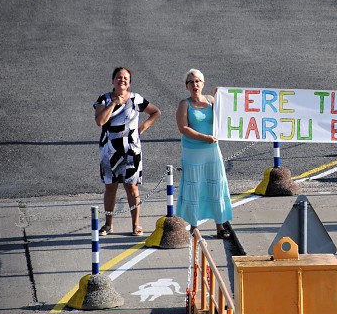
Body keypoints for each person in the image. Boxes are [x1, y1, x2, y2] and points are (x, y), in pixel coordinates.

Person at [94, 67, 161, 236]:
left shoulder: (136, 99)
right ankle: (108, 225)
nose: (122, 80)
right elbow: (100, 121)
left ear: (129, 82)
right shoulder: (104, 99)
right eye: (118, 77)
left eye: (125, 78)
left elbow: (155, 111)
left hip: (131, 150)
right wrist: (114, 103)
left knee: (132, 187)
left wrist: (143, 127)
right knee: (110, 187)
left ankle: (136, 224)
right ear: (113, 81)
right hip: (109, 149)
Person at [175, 69, 233, 238]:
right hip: (193, 152)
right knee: (194, 186)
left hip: (212, 151)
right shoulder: (184, 104)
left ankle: (220, 226)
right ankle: (194, 226)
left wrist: (220, 99)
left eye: (198, 81)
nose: (195, 85)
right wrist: (204, 138)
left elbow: (224, 117)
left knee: (215, 185)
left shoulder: (210, 100)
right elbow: (183, 128)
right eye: (191, 82)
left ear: (203, 83)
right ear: (187, 86)